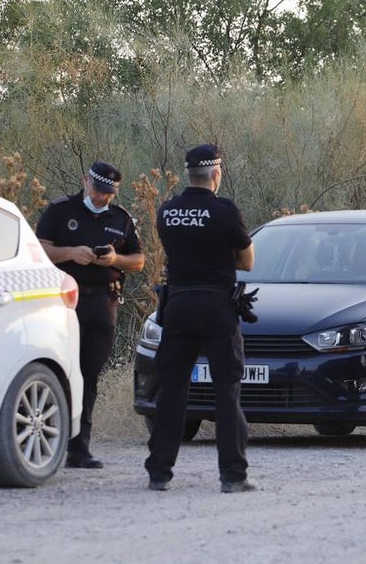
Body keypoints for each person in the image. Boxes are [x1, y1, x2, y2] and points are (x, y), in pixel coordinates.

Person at [145, 144, 256, 492]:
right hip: (217, 306)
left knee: (171, 390)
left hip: (178, 305)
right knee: (226, 391)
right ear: (216, 174)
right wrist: (221, 257)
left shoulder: (167, 212)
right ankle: (233, 476)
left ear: (188, 174)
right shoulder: (225, 211)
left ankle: (159, 472)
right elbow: (247, 261)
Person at [37, 161, 145, 469]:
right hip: (64, 302)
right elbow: (39, 248)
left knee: (89, 374)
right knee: (59, 371)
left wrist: (114, 259)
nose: (102, 198)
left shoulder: (121, 218)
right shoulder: (60, 210)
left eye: (108, 193)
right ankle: (48, 442)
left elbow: (138, 260)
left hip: (103, 303)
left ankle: (79, 448)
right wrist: (71, 253)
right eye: (98, 190)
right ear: (86, 180)